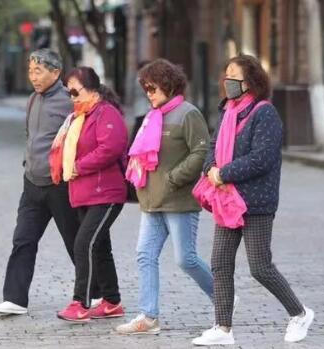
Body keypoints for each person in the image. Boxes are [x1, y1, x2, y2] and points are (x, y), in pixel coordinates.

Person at [192, 55, 314, 346]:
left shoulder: (264, 113)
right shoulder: (229, 111)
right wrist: (210, 169)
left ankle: (299, 313)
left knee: (260, 267)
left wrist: (224, 173)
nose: (227, 81)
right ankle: (223, 328)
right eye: (226, 75)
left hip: (255, 202)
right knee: (220, 263)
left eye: (233, 76)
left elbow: (262, 158)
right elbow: (213, 145)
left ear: (250, 81)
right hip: (227, 199)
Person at [115, 58, 214, 335]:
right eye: (145, 88)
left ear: (169, 84)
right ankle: (148, 317)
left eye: (153, 87)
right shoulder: (152, 116)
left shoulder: (187, 113)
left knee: (186, 259)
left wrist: (175, 177)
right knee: (145, 255)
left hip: (179, 200)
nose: (149, 93)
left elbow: (200, 151)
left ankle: (223, 297)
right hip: (151, 200)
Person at [0, 49, 80, 315]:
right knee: (23, 239)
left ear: (56, 72)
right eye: (30, 71)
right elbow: (31, 136)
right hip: (32, 184)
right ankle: (15, 299)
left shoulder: (69, 101)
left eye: (38, 71)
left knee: (75, 241)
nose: (33, 77)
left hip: (59, 186)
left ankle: (96, 292)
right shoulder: (32, 99)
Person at [54, 67, 128, 322]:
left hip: (105, 193)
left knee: (83, 243)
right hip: (84, 192)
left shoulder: (106, 114)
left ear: (92, 89)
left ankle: (80, 302)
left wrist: (77, 166)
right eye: (69, 92)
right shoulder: (78, 117)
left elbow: (111, 147)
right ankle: (112, 301)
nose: (72, 96)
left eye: (76, 91)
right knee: (99, 248)